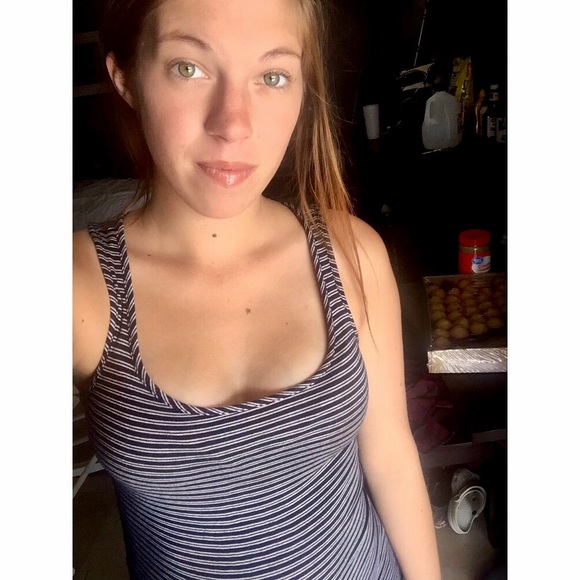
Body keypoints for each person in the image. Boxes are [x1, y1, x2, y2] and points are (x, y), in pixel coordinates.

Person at [73, 0, 442, 578]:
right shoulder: (76, 287)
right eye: (189, 67)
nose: (234, 124)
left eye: (272, 76)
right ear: (125, 76)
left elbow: (390, 454)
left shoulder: (351, 252)